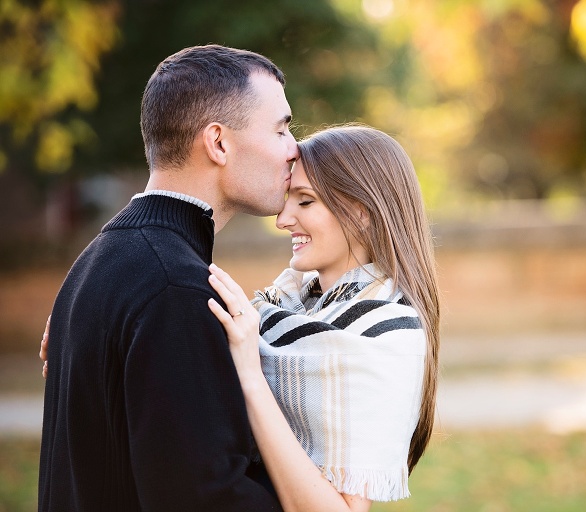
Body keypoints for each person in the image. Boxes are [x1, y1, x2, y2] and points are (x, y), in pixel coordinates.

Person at [37, 44, 298, 511]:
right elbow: (204, 499)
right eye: (281, 129)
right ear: (218, 143)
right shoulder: (175, 289)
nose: (294, 149)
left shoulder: (95, 264)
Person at [206, 124, 441, 512]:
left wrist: (251, 376)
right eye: (288, 199)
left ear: (361, 212)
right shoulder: (286, 308)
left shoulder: (381, 336)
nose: (282, 219)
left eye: (305, 201)